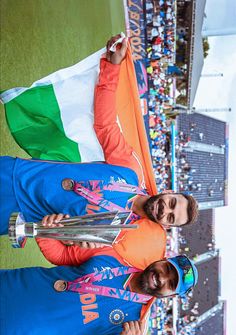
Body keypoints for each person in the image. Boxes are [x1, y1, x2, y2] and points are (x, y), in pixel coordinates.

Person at [0, 35, 198, 269]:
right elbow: (105, 125)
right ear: (168, 192)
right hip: (14, 173)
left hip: (17, 214)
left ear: (166, 225)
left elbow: (63, 254)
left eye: (171, 217)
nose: (166, 209)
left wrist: (57, 234)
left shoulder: (115, 233)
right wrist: (112, 67)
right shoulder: (131, 173)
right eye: (172, 203)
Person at [0, 253, 198, 335]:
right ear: (163, 260)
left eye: (171, 283)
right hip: (7, 284)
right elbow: (59, 251)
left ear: (170, 295)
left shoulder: (134, 328)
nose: (162, 277)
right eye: (168, 268)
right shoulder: (115, 256)